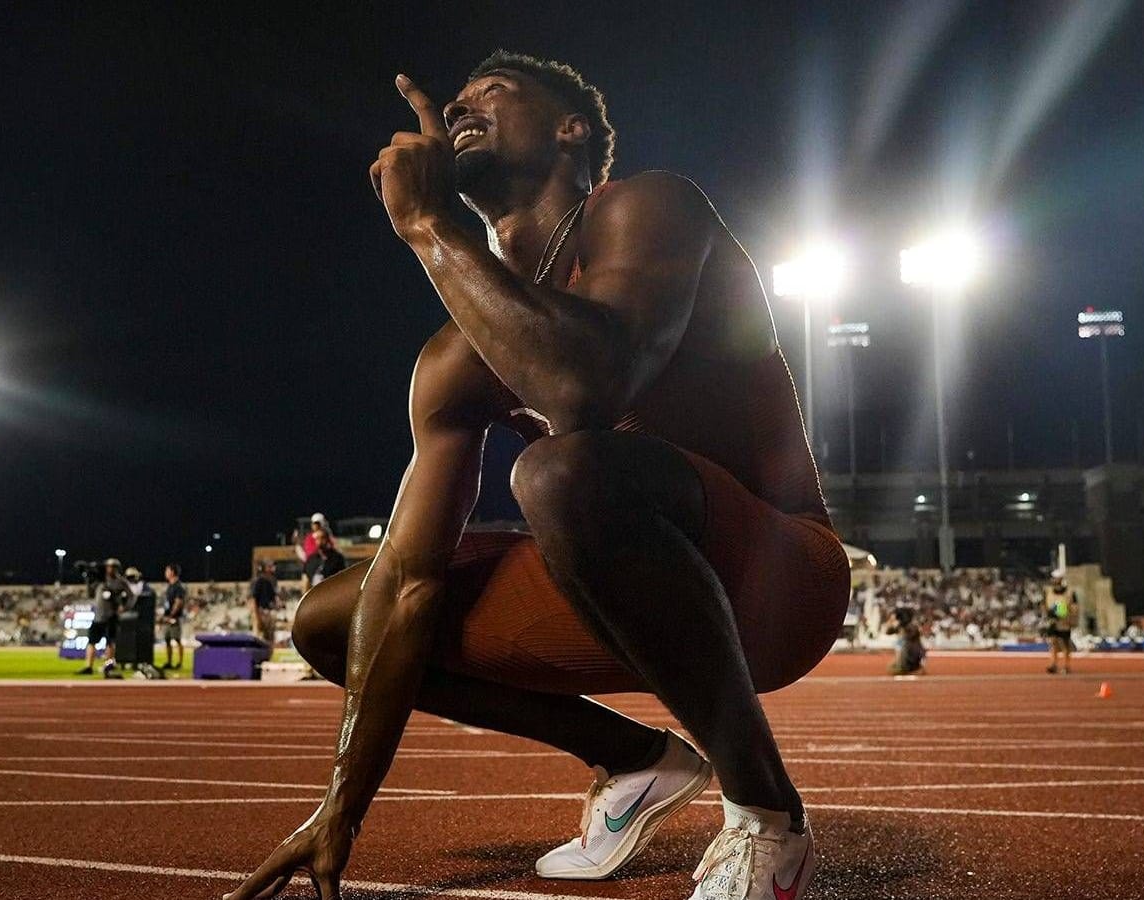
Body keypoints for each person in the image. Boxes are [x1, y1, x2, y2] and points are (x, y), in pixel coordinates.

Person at [228, 53, 847, 900]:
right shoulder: (455, 354)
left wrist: (427, 227)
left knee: (557, 472)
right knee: (337, 618)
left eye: (491, 91)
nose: (458, 104)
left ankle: (768, 816)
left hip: (777, 582)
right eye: (457, 100)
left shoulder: (647, 207)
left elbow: (586, 387)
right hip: (624, 593)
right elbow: (408, 582)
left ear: (572, 129)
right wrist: (340, 807)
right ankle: (635, 762)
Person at [78, 558, 129, 676]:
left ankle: (108, 665)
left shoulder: (121, 582)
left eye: (113, 567)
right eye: (109, 566)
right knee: (91, 642)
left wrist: (124, 607)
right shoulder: (100, 581)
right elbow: (90, 593)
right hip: (98, 616)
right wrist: (88, 579)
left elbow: (131, 597)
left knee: (110, 643)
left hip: (111, 615)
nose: (110, 569)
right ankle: (88, 666)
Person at [1043, 576, 1079, 674]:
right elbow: (1044, 605)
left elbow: (1074, 608)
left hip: (1064, 622)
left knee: (1065, 644)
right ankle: (1053, 664)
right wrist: (1048, 613)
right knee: (1053, 642)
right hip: (1053, 621)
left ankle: (1066, 666)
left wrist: (1068, 616)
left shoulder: (1069, 593)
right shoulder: (1048, 592)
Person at [160, 563, 187, 669]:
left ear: (172, 572)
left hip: (174, 617)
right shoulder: (170, 586)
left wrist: (172, 615)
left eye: (167, 570)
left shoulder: (178, 586)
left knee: (177, 639)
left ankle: (180, 663)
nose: (165, 573)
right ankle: (169, 662)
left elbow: (178, 602)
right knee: (167, 639)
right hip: (168, 616)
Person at [885, 606, 925, 676]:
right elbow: (888, 632)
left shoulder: (910, 628)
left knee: (893, 670)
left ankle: (909, 668)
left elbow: (911, 640)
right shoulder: (902, 627)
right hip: (910, 656)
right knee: (890, 667)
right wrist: (891, 622)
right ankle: (910, 668)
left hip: (912, 657)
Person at [250, 560, 280, 644]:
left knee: (269, 638)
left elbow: (273, 598)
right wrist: (257, 616)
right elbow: (253, 600)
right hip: (260, 612)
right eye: (269, 566)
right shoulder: (258, 581)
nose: (272, 568)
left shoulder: (270, 582)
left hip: (268, 613)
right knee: (258, 638)